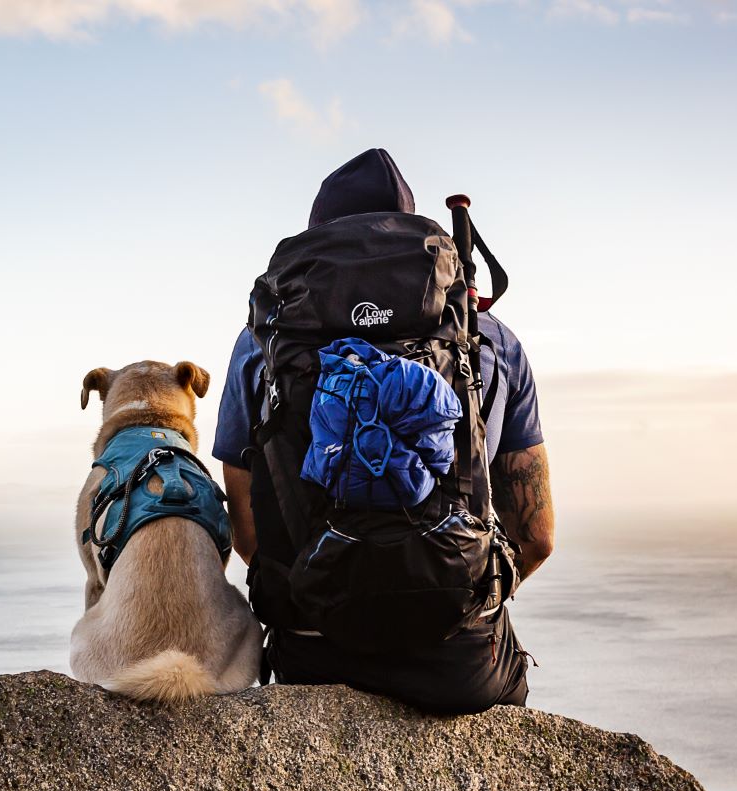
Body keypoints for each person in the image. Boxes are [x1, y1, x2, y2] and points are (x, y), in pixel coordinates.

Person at [211, 148, 555, 713]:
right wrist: (451, 594)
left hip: (312, 655)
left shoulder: (262, 345)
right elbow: (537, 535)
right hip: (460, 663)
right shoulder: (491, 339)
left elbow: (249, 536)